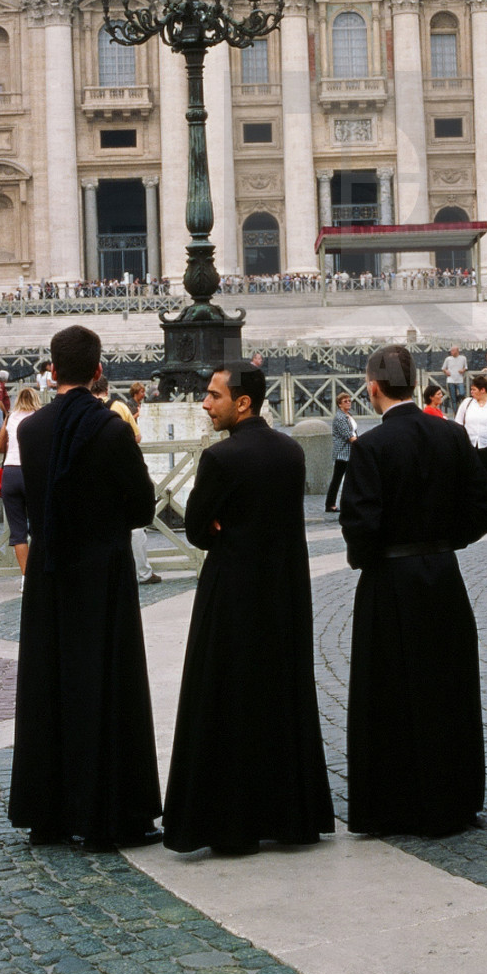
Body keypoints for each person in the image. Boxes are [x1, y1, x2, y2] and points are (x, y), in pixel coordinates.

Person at [164, 363, 334, 854]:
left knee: (227, 697)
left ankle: (230, 822)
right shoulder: (291, 451)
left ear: (243, 402)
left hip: (233, 590)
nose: (204, 403)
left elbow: (196, 527)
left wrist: (219, 524)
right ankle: (289, 817)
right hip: (283, 590)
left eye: (213, 396)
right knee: (281, 695)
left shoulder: (220, 458)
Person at [8, 324, 162, 850]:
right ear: (99, 370)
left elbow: (31, 503)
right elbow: (142, 507)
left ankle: (49, 812)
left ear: (52, 371)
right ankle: (111, 810)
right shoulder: (113, 429)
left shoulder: (29, 431)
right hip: (102, 571)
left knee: (51, 682)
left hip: (50, 572)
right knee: (106, 685)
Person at [341, 344, 487, 837]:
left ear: (372, 388)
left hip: (390, 579)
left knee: (388, 690)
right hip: (441, 573)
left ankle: (393, 804)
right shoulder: (451, 435)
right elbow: (483, 507)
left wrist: (371, 559)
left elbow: (360, 525)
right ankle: (454, 797)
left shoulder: (370, 446)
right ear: (415, 384)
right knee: (446, 686)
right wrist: (445, 543)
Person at [92, 376, 161, 587]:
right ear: (108, 388)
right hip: (122, 468)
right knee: (135, 527)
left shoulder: (86, 409)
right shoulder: (120, 407)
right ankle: (142, 571)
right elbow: (136, 437)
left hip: (95, 471)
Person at [0, 386, 40, 581]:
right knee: (39, 526)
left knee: (18, 531)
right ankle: (41, 574)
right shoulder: (39, 418)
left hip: (11, 473)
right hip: (32, 473)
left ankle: (26, 577)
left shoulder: (10, 417)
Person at [456, 375, 487, 482]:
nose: (471, 392)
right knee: (471, 477)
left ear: (482, 390)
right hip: (470, 446)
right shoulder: (467, 403)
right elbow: (458, 422)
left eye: (473, 389)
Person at [327, 391, 357, 512]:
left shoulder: (348, 415)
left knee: (350, 479)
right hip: (342, 453)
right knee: (337, 479)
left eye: (349, 400)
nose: (348, 403)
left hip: (349, 452)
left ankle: (348, 502)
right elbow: (348, 435)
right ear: (339, 404)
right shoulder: (340, 418)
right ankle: (330, 504)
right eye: (345, 401)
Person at [442, 345, 468, 414]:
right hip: (451, 380)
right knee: (453, 399)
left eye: (453, 351)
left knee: (462, 393)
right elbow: (443, 368)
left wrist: (463, 370)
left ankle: (459, 402)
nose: (451, 352)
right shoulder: (448, 359)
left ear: (457, 351)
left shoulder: (463, 358)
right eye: (451, 351)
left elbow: (465, 367)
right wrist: (446, 371)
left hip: (459, 379)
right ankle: (456, 413)